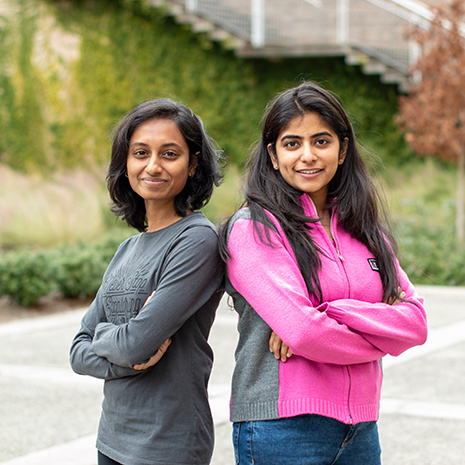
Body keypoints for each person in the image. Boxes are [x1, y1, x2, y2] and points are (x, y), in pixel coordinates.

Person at [219, 81, 427, 465]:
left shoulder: (364, 229)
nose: (308, 155)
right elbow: (302, 331)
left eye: (321, 141)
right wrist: (382, 330)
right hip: (283, 429)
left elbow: (415, 324)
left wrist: (330, 312)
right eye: (292, 143)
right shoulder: (254, 228)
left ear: (343, 148)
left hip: (361, 430)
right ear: (273, 153)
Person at [70, 98, 224, 465]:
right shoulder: (127, 249)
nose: (153, 166)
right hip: (112, 439)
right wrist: (124, 353)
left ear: (193, 162)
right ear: (126, 162)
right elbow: (77, 351)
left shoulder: (197, 240)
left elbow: (136, 342)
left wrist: (106, 337)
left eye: (169, 154)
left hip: (168, 444)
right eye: (141, 152)